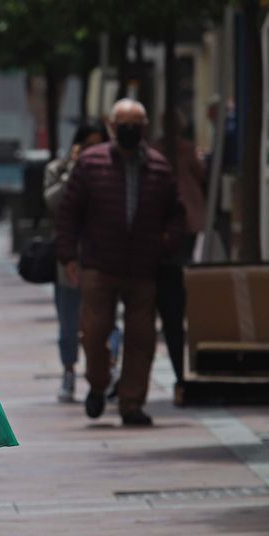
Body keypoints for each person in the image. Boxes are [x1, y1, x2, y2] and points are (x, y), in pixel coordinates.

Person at [54, 99, 184, 426]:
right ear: (111, 125)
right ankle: (98, 384)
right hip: (99, 264)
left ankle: (131, 402)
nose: (129, 130)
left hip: (143, 267)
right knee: (95, 331)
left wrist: (167, 241)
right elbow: (69, 212)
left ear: (144, 127)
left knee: (141, 338)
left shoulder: (158, 166)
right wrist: (68, 256)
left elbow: (175, 213)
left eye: (135, 124)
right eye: (123, 123)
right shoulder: (90, 163)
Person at [43, 122, 108, 403]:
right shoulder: (58, 169)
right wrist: (74, 170)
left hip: (104, 258)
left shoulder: (111, 169)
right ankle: (69, 372)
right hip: (68, 258)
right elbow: (54, 203)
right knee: (69, 323)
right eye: (88, 145)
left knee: (104, 322)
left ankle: (107, 370)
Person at [157, 110, 207, 386]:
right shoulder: (186, 150)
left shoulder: (154, 150)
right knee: (180, 273)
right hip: (186, 222)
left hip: (165, 235)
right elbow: (202, 173)